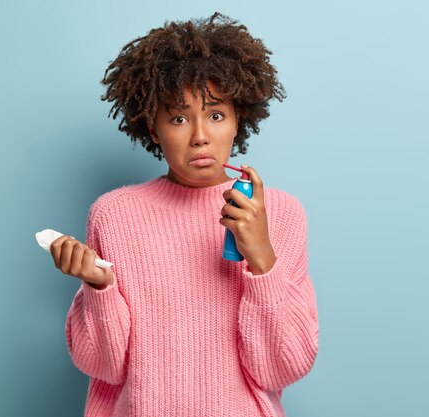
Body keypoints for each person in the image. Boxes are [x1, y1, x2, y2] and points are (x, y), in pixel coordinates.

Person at [49, 12, 319, 417]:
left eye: (215, 115)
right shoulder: (113, 214)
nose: (199, 135)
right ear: (153, 129)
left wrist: (262, 257)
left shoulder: (280, 213)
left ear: (237, 119)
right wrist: (99, 287)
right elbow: (101, 366)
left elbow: (282, 367)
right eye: (178, 118)